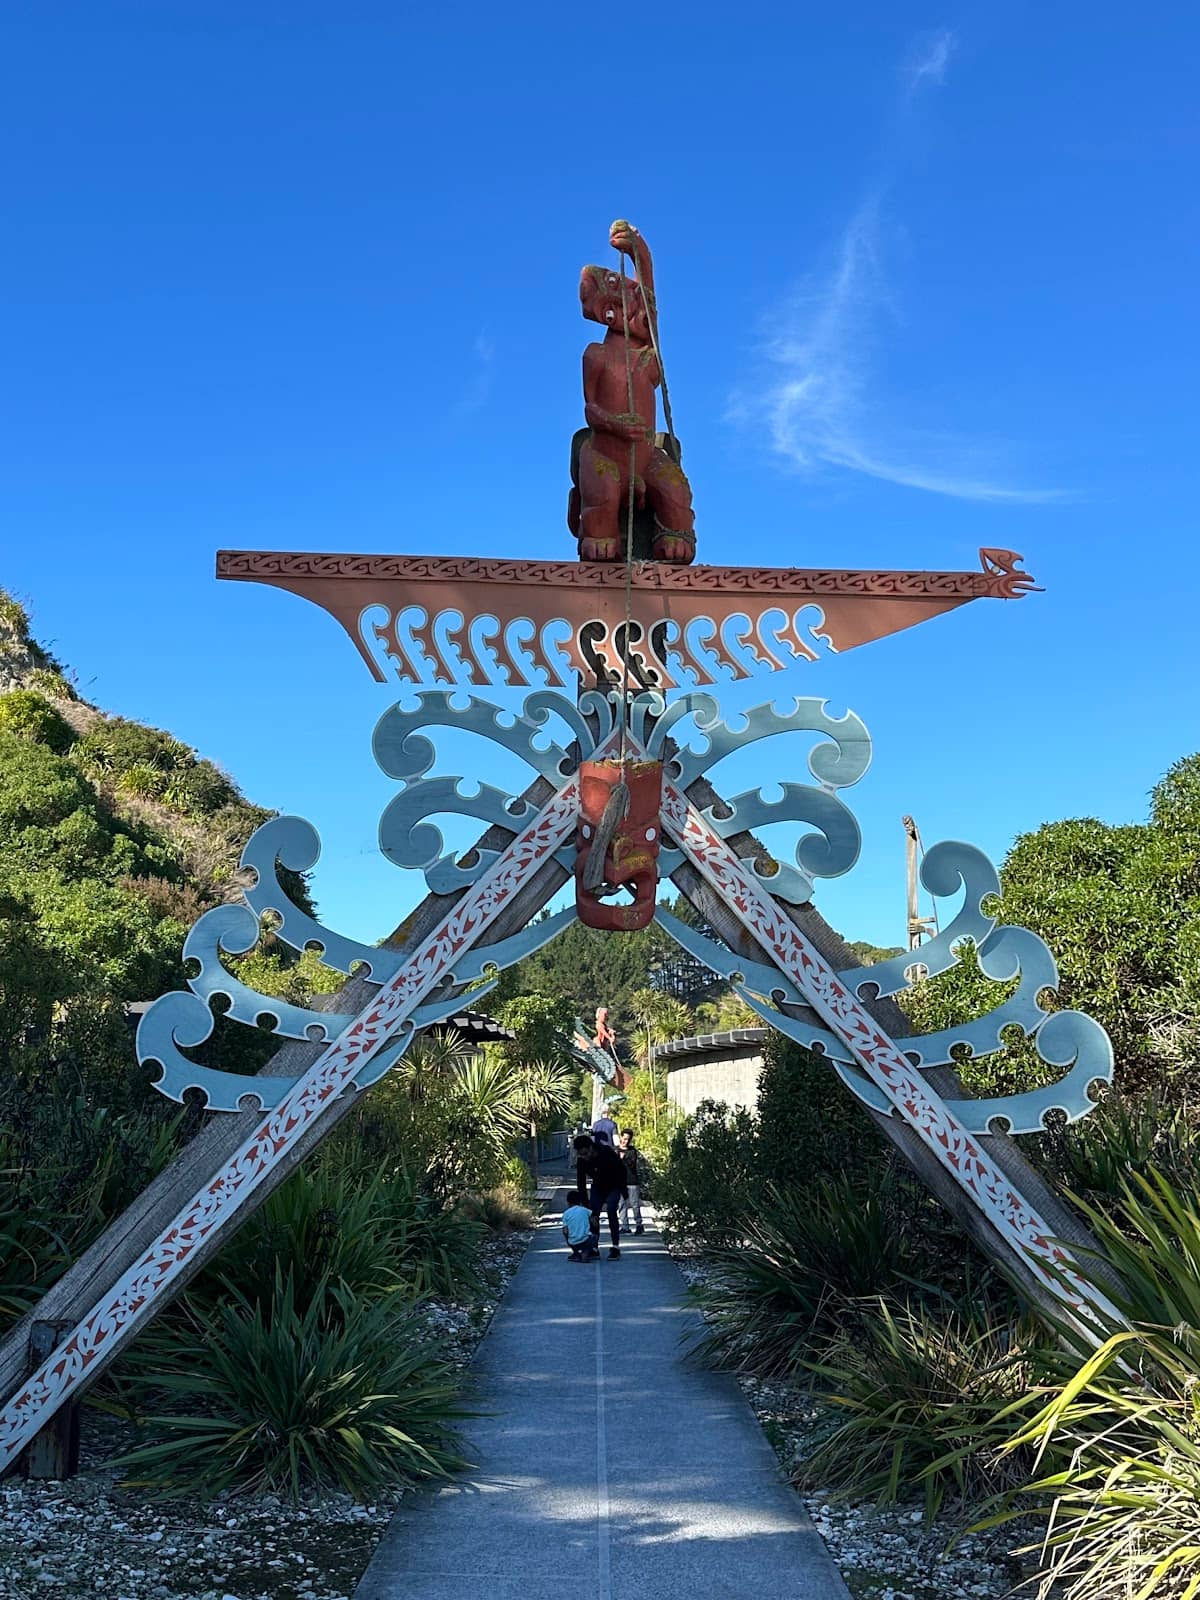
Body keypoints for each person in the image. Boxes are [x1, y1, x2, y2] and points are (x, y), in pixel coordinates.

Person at [573, 1133, 627, 1259]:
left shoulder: (606, 1152)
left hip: (614, 1185)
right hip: (598, 1187)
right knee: (593, 1215)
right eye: (581, 1154)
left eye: (585, 1153)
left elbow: (621, 1170)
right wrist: (586, 1207)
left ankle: (615, 1247)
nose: (584, 1157)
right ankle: (594, 1247)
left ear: (591, 1147)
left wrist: (624, 1192)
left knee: (611, 1211)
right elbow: (580, 1182)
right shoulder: (582, 1161)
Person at [618, 1129, 645, 1235]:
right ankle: (625, 1226)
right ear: (621, 1137)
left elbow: (632, 1164)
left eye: (628, 1140)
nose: (625, 1141)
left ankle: (639, 1225)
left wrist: (623, 1158)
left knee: (635, 1204)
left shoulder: (632, 1151)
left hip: (632, 1181)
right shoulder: (615, 1150)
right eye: (624, 1139)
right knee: (622, 1204)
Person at [561, 1189, 599, 1261]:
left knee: (571, 1239)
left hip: (573, 1242)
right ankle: (585, 1253)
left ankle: (576, 1253)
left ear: (568, 1202)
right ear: (580, 1202)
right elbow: (595, 1224)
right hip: (586, 1241)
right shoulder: (585, 1210)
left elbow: (565, 1231)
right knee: (595, 1237)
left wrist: (568, 1240)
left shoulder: (566, 1214)